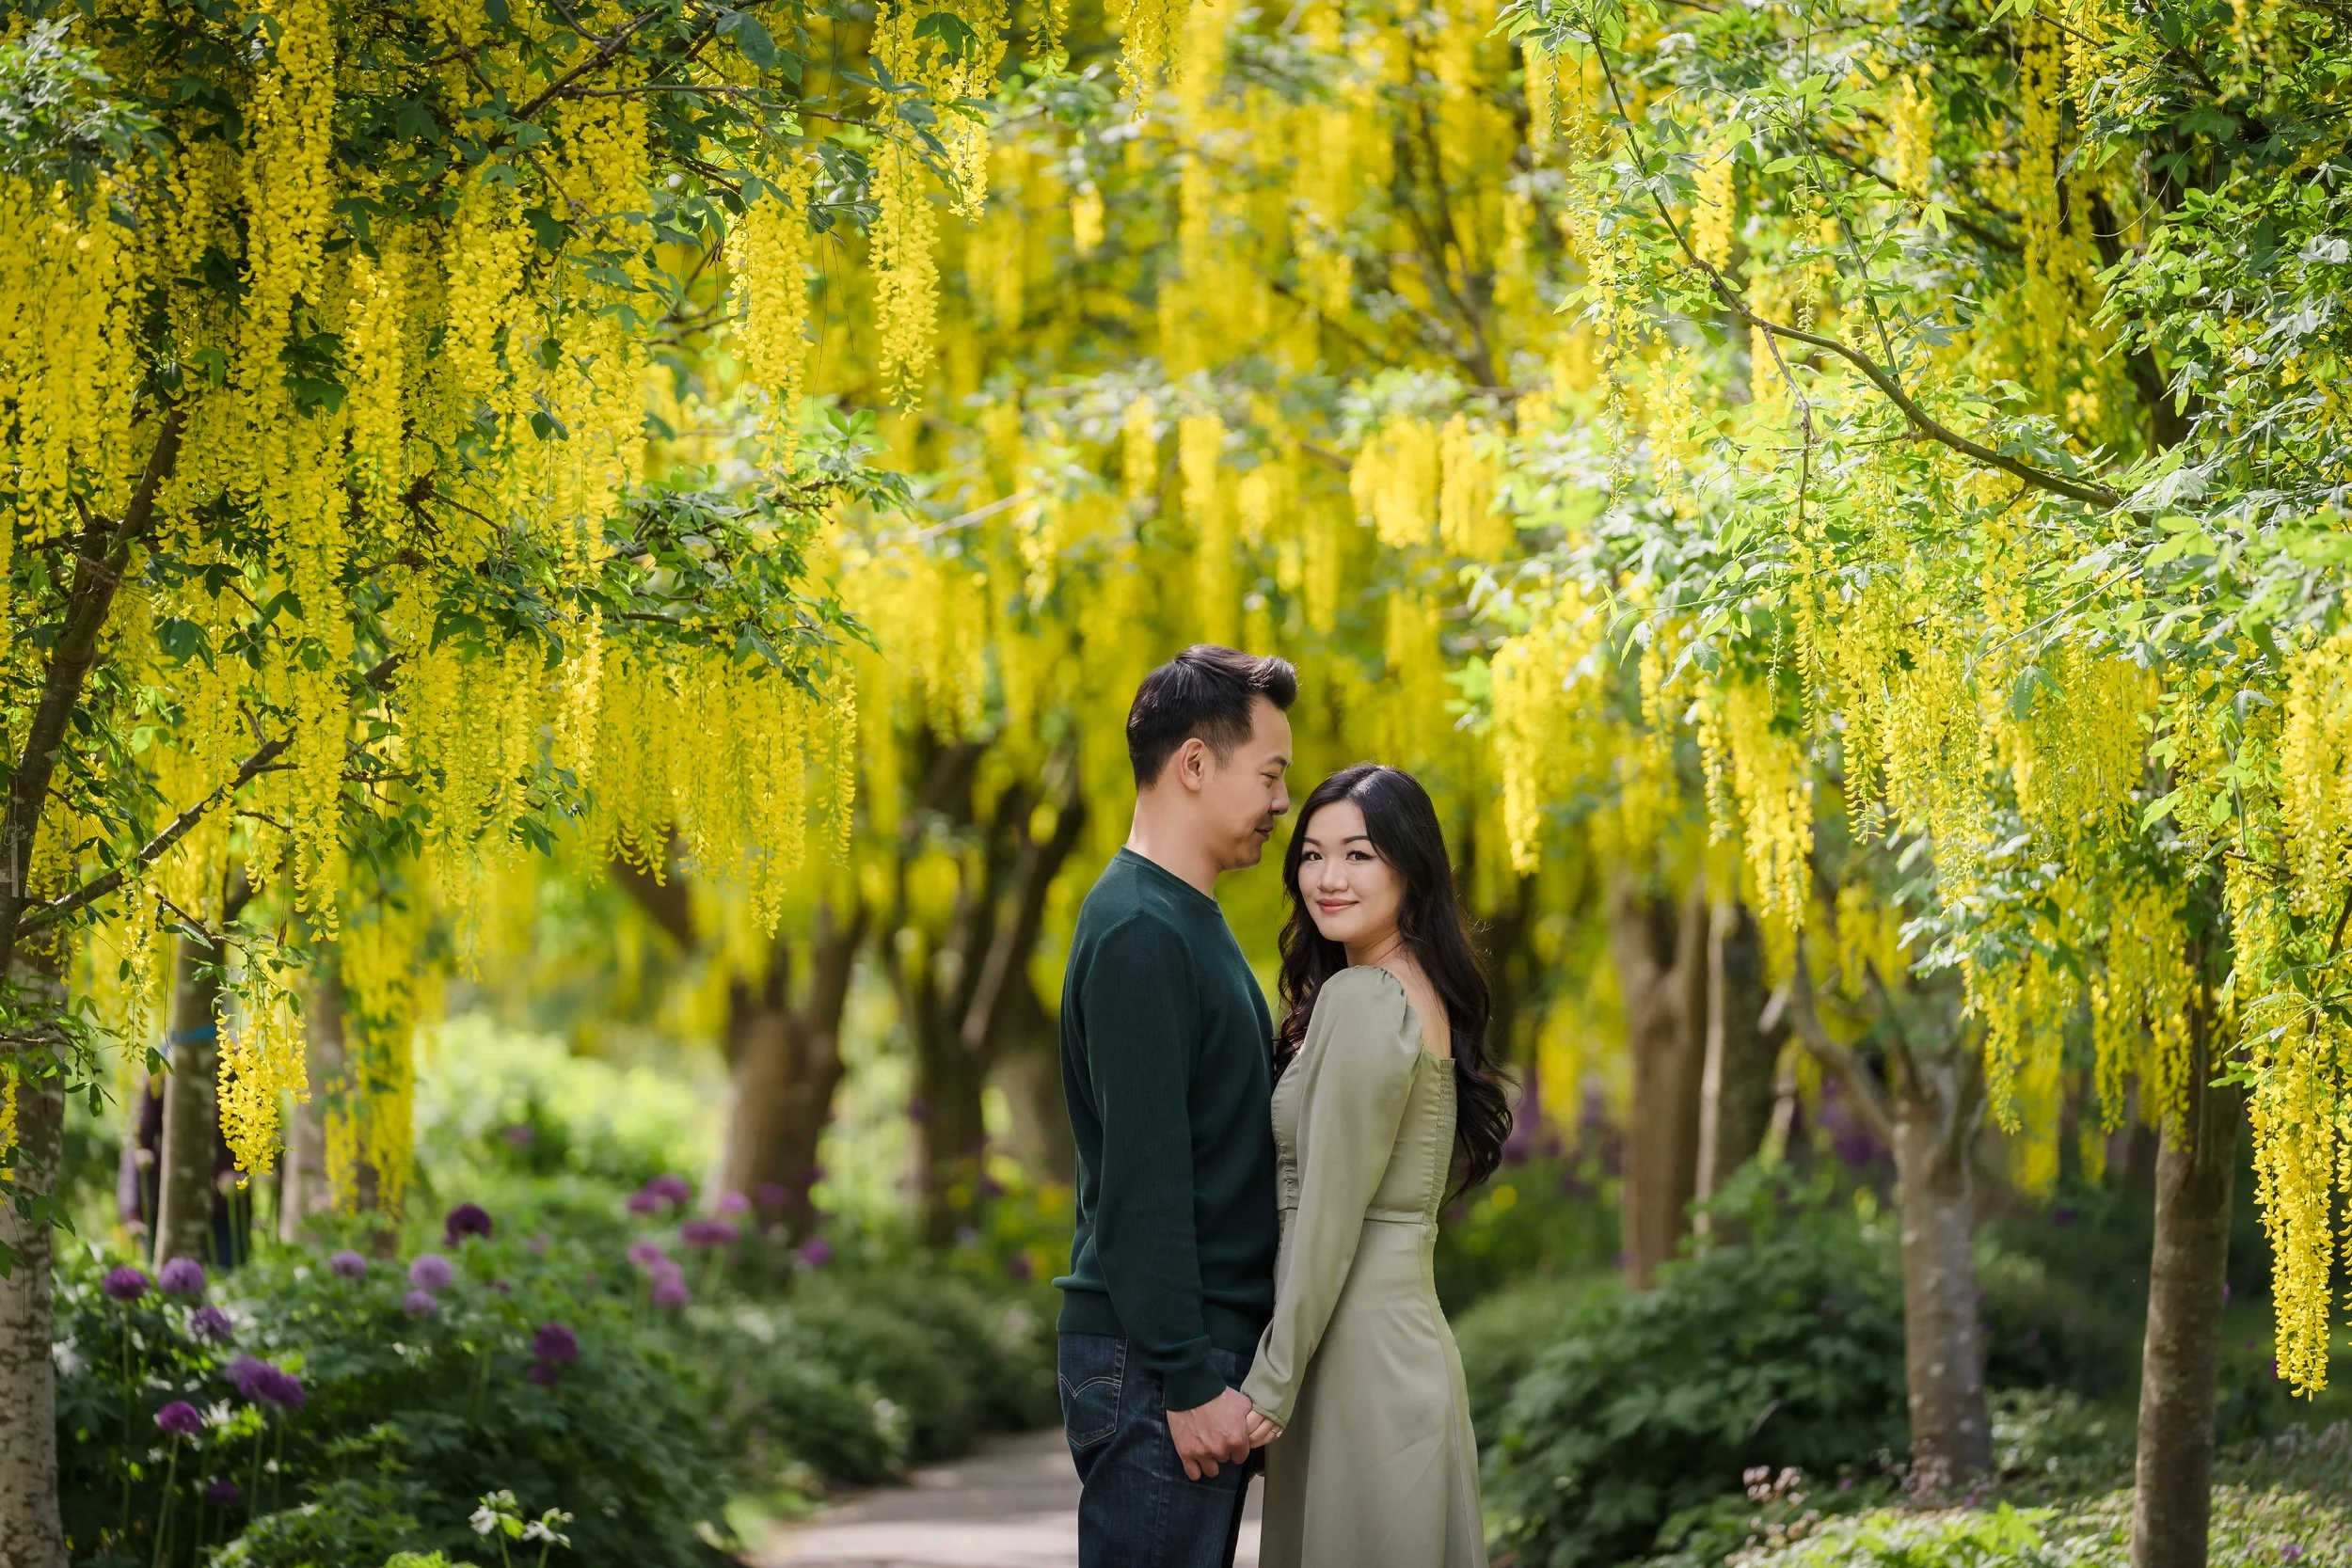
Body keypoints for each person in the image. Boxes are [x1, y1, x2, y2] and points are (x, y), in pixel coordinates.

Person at [1056, 644, 1297, 1568]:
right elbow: (1143, 1179)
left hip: (1180, 1353)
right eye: (1269, 773)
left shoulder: (1183, 918)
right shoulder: (1140, 929)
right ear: (1195, 763)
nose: (1282, 801)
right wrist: (1191, 1378)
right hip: (1157, 1363)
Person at [1237, 763, 1514, 1568]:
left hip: (1355, 1356)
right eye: (1312, 855)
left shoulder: (1365, 1000)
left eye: (1358, 854)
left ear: (1409, 867)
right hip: (1389, 1344)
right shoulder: (1407, 989)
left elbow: (1330, 1208)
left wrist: (1272, 1378)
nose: (1327, 878)